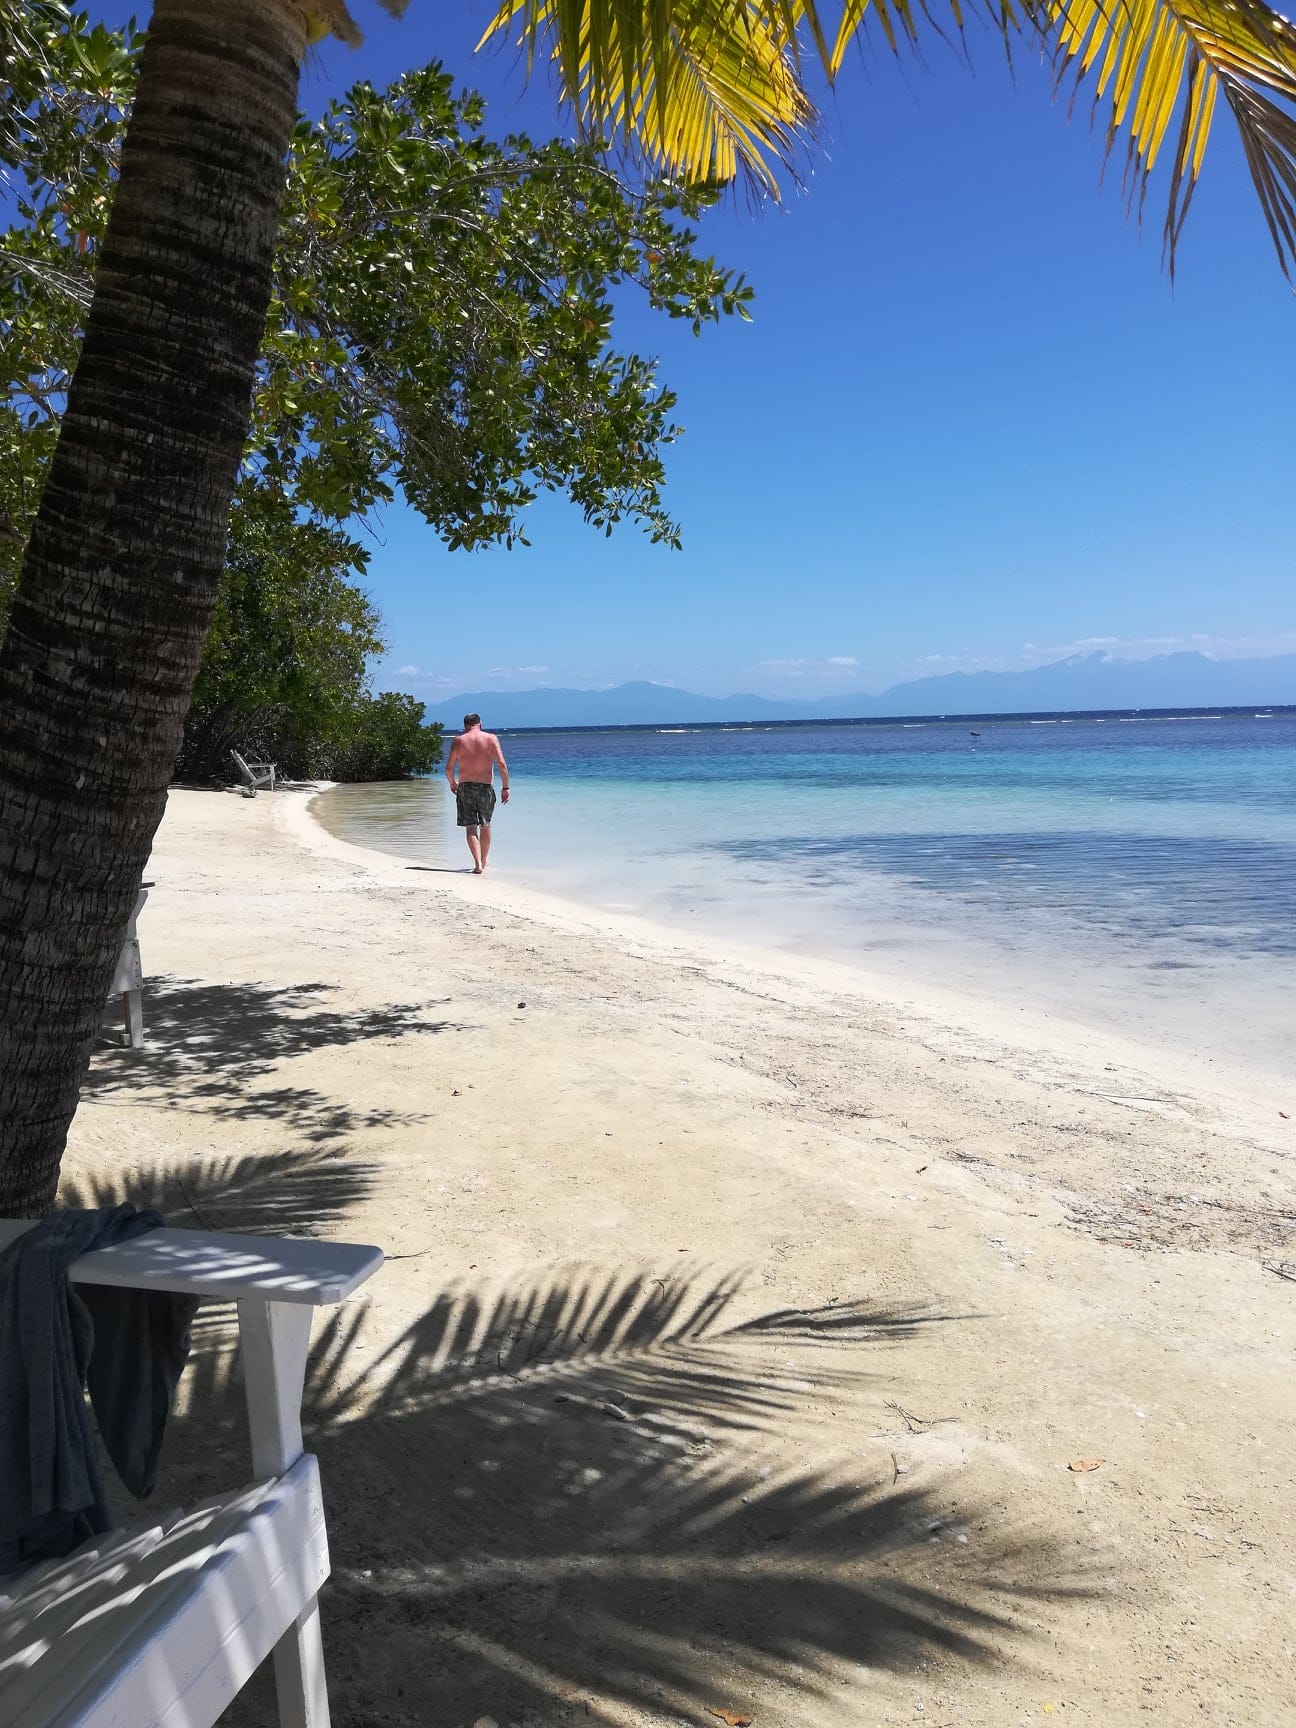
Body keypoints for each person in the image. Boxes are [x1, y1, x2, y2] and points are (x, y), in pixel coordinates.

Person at [444, 712, 509, 873]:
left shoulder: (458, 740)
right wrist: (506, 787)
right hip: (485, 786)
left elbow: (449, 768)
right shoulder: (491, 738)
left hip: (465, 786)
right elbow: (501, 763)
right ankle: (484, 860)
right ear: (480, 723)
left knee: (471, 827)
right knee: (485, 825)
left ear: (465, 726)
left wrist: (452, 782)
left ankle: (477, 865)